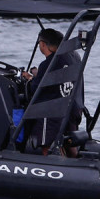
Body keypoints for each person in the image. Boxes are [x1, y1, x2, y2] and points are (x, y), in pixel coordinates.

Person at [18, 28, 84, 156]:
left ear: (42, 44)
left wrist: (30, 79)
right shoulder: (73, 56)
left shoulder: (49, 63)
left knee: (46, 144)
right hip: (74, 107)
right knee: (69, 142)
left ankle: (54, 165)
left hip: (53, 112)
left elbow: (35, 89)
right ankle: (75, 161)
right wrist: (37, 75)